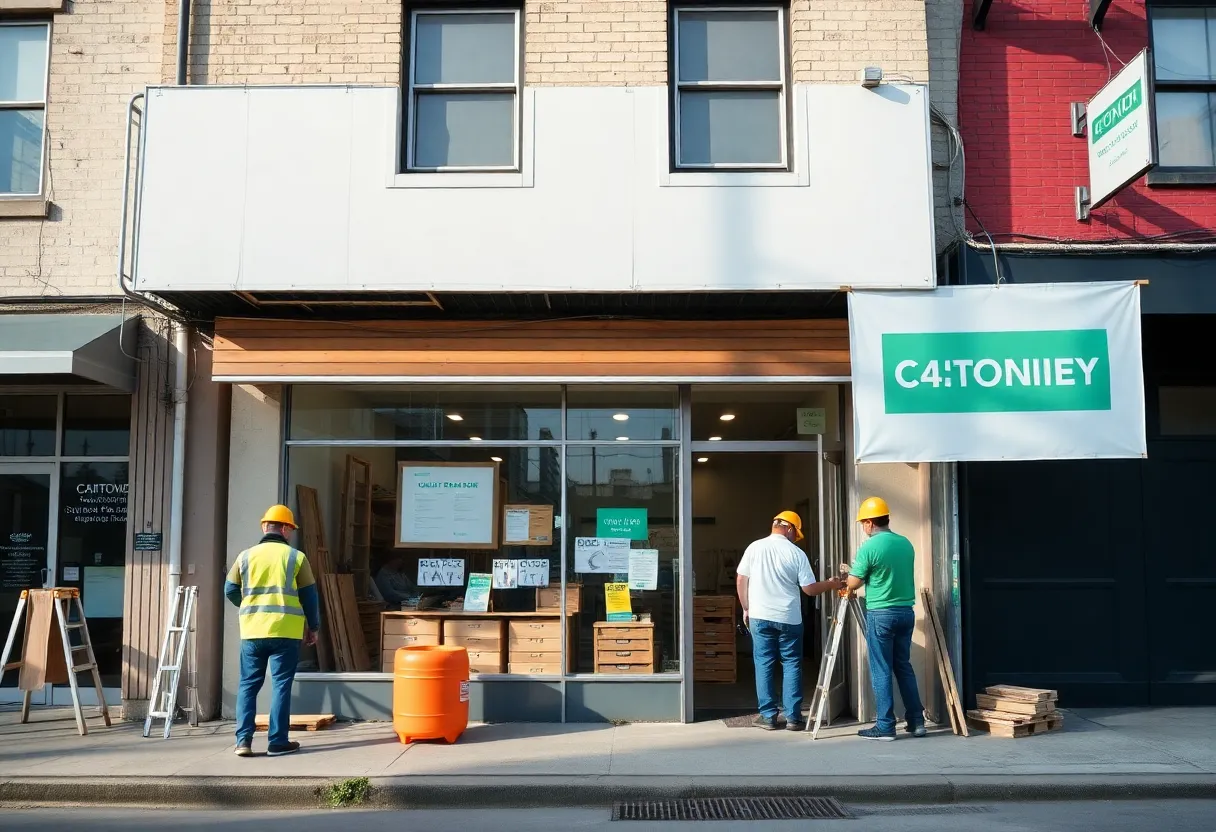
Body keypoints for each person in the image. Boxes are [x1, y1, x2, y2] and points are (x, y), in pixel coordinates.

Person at [224, 504, 321, 758]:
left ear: (265, 526)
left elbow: (230, 590)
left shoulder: (245, 556)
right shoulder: (296, 557)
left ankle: (243, 742)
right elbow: (309, 596)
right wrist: (313, 627)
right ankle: (277, 742)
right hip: (285, 631)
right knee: (281, 685)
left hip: (252, 632)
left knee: (248, 685)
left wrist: (248, 606)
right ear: (286, 529)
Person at [736, 510, 842, 731]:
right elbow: (810, 590)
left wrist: (746, 608)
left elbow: (741, 579)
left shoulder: (754, 548)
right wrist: (831, 584)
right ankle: (793, 718)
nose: (796, 538)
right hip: (789, 618)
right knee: (792, 663)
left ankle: (768, 717)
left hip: (760, 616)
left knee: (764, 663)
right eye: (796, 534)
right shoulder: (796, 553)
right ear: (790, 529)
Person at [846, 496, 926, 741]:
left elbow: (854, 582)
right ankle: (917, 722)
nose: (863, 528)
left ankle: (885, 726)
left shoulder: (869, 547)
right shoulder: (905, 543)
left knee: (881, 669)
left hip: (881, 613)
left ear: (870, 523)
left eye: (863, 523)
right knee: (903, 666)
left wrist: (848, 580)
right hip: (906, 612)